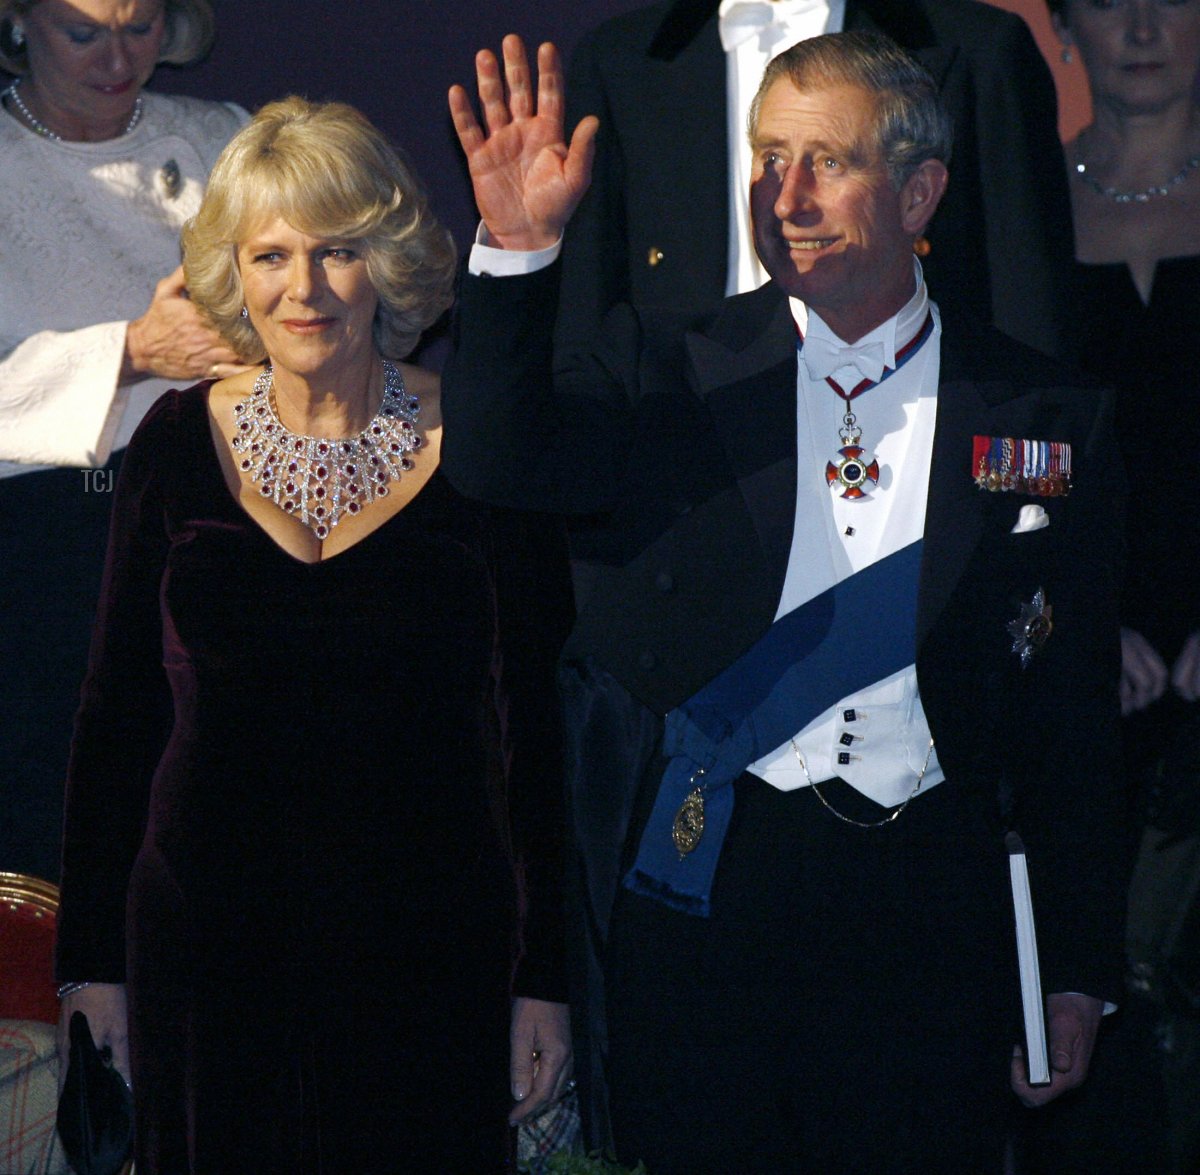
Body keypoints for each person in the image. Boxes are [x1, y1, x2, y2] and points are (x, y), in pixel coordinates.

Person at [445, 32, 1126, 1171]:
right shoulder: (664, 368)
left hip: (928, 912)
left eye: (825, 162)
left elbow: (1073, 724)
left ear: (920, 193)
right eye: (767, 160)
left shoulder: (1047, 412)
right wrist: (517, 253)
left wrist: (1071, 967)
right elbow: (497, 461)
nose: (785, 196)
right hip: (713, 889)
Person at [52, 97, 574, 1174]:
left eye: (338, 251)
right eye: (272, 254)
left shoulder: (480, 448)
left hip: (430, 952)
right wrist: (91, 970)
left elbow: (536, 736)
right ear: (233, 273)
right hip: (203, 952)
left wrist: (544, 975)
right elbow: (115, 718)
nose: (305, 287)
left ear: (386, 261)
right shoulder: (170, 444)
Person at [0, 0, 249, 883]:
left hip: (221, 527)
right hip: (42, 558)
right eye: (84, 32)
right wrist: (129, 353)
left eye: (140, 27)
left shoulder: (225, 140)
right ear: (20, 21)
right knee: (57, 835)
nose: (118, 57)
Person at [1013, 2, 1200, 1170]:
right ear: (1066, 27)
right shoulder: (1018, 211)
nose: (1141, 20)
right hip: (1079, 686)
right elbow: (996, 443)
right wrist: (1070, 615)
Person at [553, 0, 1077, 363]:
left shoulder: (980, 47)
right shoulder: (619, 59)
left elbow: (1026, 293)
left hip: (926, 419)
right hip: (691, 451)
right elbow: (589, 310)